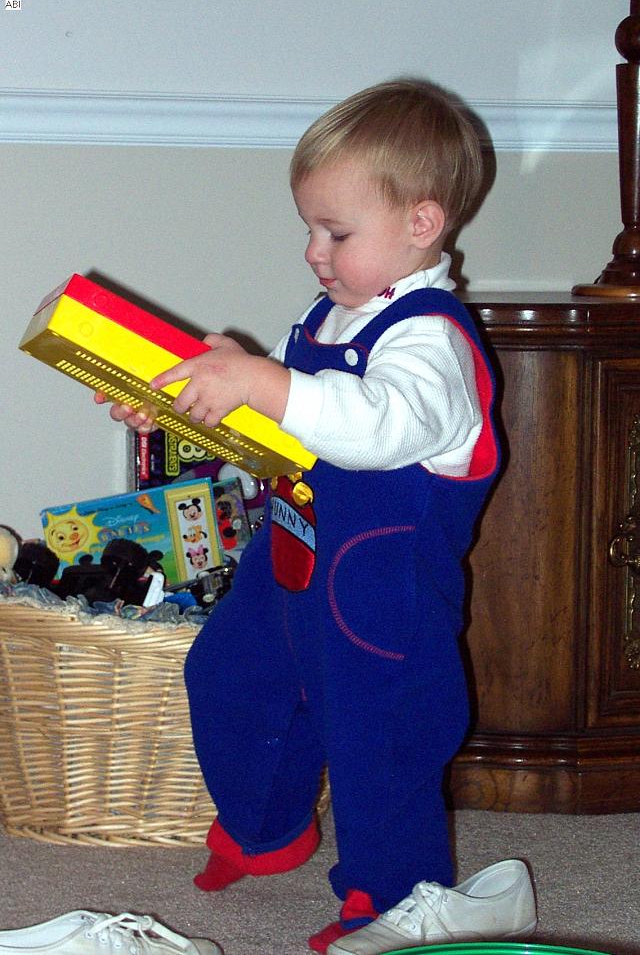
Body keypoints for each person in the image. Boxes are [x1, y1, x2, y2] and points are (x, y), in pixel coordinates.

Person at [99, 79, 514, 954]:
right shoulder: (328, 319)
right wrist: (194, 395)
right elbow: (289, 432)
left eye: (336, 232)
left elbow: (375, 425)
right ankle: (267, 826)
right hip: (291, 560)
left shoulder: (432, 339)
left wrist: (262, 381)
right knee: (230, 675)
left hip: (381, 594)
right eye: (309, 228)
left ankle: (395, 895)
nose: (313, 251)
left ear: (422, 223)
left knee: (379, 735)